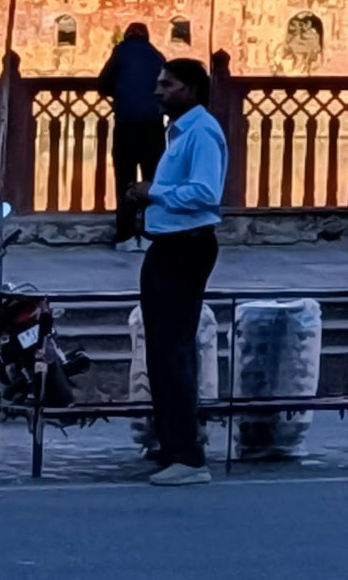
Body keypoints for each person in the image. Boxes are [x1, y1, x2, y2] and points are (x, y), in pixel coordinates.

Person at [134, 57, 226, 485]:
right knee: (160, 349)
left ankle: (188, 456)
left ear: (189, 89)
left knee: (174, 350)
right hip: (166, 243)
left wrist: (155, 191)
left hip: (186, 245)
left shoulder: (202, 132)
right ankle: (172, 446)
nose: (158, 92)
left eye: (166, 85)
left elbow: (206, 192)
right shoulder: (179, 132)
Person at [100, 24, 167, 248]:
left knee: (125, 180)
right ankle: (150, 233)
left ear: (127, 35)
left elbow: (102, 84)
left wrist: (120, 93)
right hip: (153, 126)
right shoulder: (157, 55)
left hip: (126, 124)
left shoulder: (120, 53)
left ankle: (126, 235)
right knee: (153, 179)